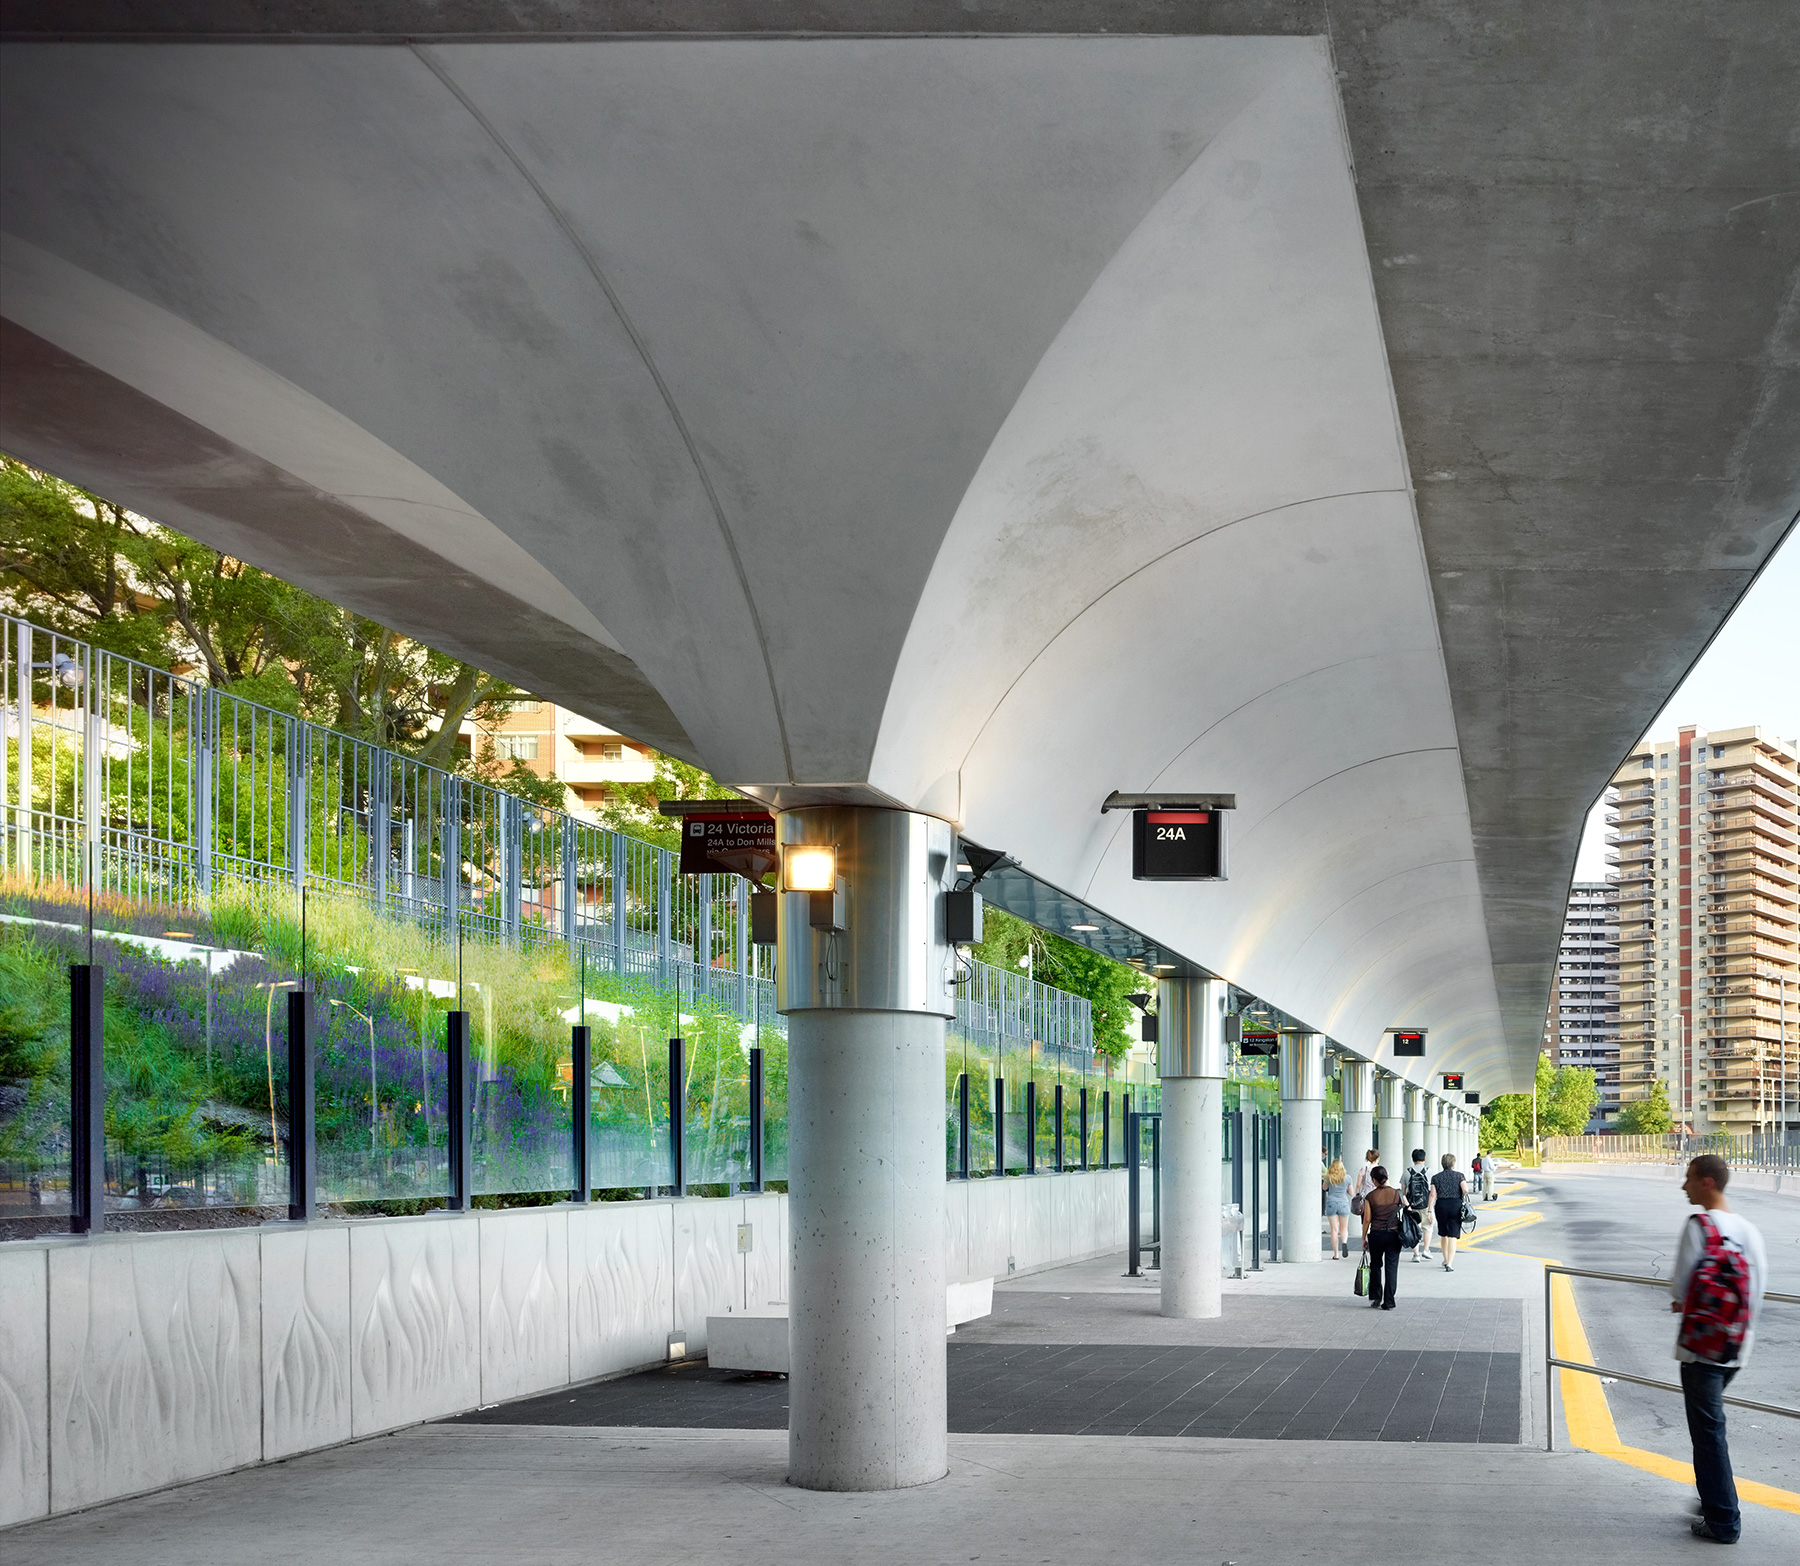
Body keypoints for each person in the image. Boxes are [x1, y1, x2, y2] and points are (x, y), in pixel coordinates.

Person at [1670, 1154, 1767, 1545]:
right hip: (1736, 1347)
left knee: (1708, 1435)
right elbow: (1756, 1293)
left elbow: (1679, 1288)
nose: (1684, 1186)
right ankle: (1712, 1496)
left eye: (1689, 1179)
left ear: (1707, 1182)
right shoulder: (1749, 1229)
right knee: (1711, 1430)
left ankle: (1722, 1520)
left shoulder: (1699, 1225)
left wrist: (1685, 1301)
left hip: (1700, 1351)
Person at [1360, 1165, 1405, 1309]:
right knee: (1391, 1268)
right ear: (1387, 1177)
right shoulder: (1397, 1193)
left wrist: (1363, 1238)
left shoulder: (1370, 1196)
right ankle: (1389, 1302)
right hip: (1393, 1234)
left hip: (1376, 1235)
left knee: (1376, 1265)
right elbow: (1408, 1207)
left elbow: (1367, 1219)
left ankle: (1376, 1297)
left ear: (1374, 1180)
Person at [1430, 1153, 1468, 1271]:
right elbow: (1465, 1189)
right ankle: (1450, 1263)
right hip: (1455, 1205)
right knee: (1453, 1235)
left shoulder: (1436, 1178)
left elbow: (1432, 1194)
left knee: (1443, 1233)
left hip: (1441, 1206)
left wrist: (1429, 1210)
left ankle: (1445, 1259)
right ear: (1453, 1164)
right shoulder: (1459, 1176)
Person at [1404, 1149, 1434, 1262]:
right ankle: (1426, 1250)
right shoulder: (1429, 1172)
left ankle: (1416, 1255)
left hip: (1412, 1206)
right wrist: (1430, 1209)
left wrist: (1407, 1206)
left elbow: (1403, 1192)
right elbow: (1432, 1192)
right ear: (1424, 1159)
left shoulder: (1407, 1172)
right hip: (1426, 1205)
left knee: (1413, 1228)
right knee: (1427, 1227)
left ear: (1413, 1159)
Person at [1323, 1158, 1352, 1259]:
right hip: (1343, 1203)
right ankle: (1344, 1242)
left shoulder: (1328, 1177)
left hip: (1331, 1203)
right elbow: (1351, 1193)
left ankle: (1336, 1254)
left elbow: (1324, 1188)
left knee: (1334, 1230)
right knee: (1343, 1228)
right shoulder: (1347, 1178)